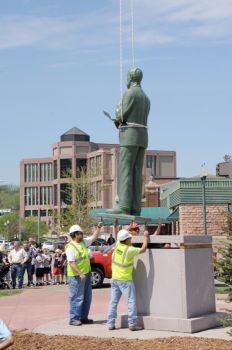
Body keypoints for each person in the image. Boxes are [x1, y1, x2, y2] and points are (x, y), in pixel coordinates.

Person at [107, 67, 150, 216]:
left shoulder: (129, 93)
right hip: (143, 136)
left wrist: (118, 108)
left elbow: (121, 115)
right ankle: (135, 206)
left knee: (125, 170)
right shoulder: (146, 98)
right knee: (137, 172)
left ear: (131, 78)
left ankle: (124, 206)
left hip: (129, 136)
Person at [107, 228, 149, 331]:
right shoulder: (129, 250)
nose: (131, 239)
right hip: (125, 280)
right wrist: (145, 237)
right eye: (130, 238)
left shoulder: (117, 246)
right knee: (131, 301)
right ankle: (132, 324)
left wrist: (130, 232)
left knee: (113, 302)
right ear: (126, 240)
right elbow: (143, 249)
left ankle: (110, 323)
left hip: (115, 279)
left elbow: (121, 237)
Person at [66, 221, 103, 326]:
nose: (81, 235)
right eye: (79, 233)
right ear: (74, 235)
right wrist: (80, 273)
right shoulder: (70, 247)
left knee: (87, 297)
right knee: (76, 297)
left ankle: (83, 317)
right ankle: (74, 319)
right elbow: (71, 263)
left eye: (81, 233)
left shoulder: (83, 242)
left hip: (86, 274)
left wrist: (98, 227)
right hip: (76, 276)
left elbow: (93, 237)